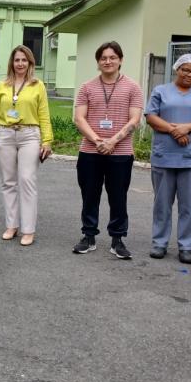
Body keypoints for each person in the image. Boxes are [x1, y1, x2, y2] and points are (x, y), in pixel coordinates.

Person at [71, 41, 143, 259]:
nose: (108, 61)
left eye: (112, 57)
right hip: (90, 151)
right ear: (98, 62)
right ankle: (88, 236)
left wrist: (113, 141)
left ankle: (117, 239)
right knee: (89, 195)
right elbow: (79, 118)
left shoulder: (133, 87)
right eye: (103, 58)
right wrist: (97, 140)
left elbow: (135, 119)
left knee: (118, 197)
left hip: (121, 153)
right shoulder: (87, 87)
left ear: (120, 60)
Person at [144, 53, 191, 264]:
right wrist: (174, 130)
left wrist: (187, 127)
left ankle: (186, 246)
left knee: (189, 205)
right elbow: (151, 117)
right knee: (162, 203)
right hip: (164, 156)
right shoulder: (160, 91)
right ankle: (159, 243)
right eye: (185, 69)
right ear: (177, 69)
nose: (189, 74)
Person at [0, 46, 53, 246]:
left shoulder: (38, 85)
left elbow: (44, 114)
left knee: (27, 179)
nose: (20, 64)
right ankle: (11, 225)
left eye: (24, 60)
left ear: (30, 63)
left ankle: (28, 229)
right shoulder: (2, 86)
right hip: (4, 135)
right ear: (11, 63)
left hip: (29, 135)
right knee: (8, 182)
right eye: (17, 60)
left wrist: (47, 140)